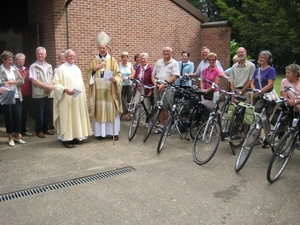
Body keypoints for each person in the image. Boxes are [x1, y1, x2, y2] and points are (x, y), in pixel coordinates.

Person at [87, 31, 123, 141]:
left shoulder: (113, 60)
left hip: (110, 91)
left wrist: (115, 79)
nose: (102, 50)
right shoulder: (94, 61)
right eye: (100, 48)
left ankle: (113, 133)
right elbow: (88, 74)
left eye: (104, 48)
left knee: (111, 110)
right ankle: (100, 133)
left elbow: (118, 74)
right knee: (99, 110)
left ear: (107, 48)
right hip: (98, 92)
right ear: (98, 48)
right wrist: (95, 68)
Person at [53, 49, 92, 148]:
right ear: (65, 57)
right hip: (66, 98)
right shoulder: (61, 69)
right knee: (67, 117)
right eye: (70, 56)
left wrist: (83, 96)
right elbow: (56, 84)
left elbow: (81, 84)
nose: (72, 57)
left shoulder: (77, 69)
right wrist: (65, 89)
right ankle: (66, 139)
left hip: (77, 99)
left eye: (73, 56)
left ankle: (75, 136)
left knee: (76, 118)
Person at [151, 46, 179, 134]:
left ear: (171, 53)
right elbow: (153, 74)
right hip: (157, 87)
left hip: (167, 88)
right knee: (159, 107)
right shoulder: (159, 62)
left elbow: (175, 76)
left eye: (168, 51)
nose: (166, 53)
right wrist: (155, 83)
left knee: (166, 108)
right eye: (164, 51)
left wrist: (164, 85)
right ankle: (162, 125)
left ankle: (167, 127)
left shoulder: (174, 63)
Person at [0, 51, 25, 146]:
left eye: (11, 60)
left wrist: (12, 82)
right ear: (4, 60)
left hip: (17, 96)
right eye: (9, 60)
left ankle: (17, 136)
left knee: (18, 117)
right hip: (7, 97)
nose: (11, 62)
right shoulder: (1, 70)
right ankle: (10, 137)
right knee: (9, 118)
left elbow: (22, 81)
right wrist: (14, 81)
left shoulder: (14, 70)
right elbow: (3, 82)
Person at [29, 46, 55, 138]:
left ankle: (46, 129)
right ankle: (39, 130)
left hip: (48, 93)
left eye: (42, 54)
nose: (40, 55)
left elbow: (52, 78)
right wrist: (46, 86)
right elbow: (34, 80)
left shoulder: (49, 66)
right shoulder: (33, 66)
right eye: (38, 54)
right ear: (36, 55)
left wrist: (51, 86)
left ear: (45, 55)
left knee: (48, 112)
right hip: (39, 94)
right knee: (40, 114)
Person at [250, 50, 277, 116]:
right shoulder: (257, 70)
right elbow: (252, 83)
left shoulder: (271, 70)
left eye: (263, 57)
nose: (260, 59)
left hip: (266, 96)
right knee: (255, 113)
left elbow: (270, 84)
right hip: (256, 95)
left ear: (267, 59)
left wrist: (259, 92)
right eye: (260, 57)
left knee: (265, 116)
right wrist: (254, 91)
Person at [14, 53, 32, 136]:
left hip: (26, 93)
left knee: (24, 113)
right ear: (16, 61)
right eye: (19, 59)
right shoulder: (13, 70)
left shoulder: (27, 69)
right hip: (18, 94)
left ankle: (23, 130)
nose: (21, 61)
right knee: (18, 114)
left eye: (22, 59)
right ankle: (17, 131)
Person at [119, 51, 135, 121]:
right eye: (123, 57)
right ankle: (123, 113)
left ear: (128, 58)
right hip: (121, 84)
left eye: (126, 57)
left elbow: (133, 73)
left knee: (129, 99)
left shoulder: (130, 64)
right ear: (121, 58)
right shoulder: (119, 64)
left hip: (129, 84)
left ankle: (129, 113)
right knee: (122, 98)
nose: (124, 58)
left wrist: (129, 77)